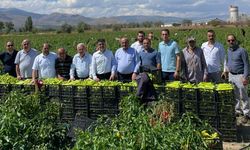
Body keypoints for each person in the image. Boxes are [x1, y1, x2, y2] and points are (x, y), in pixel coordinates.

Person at [222, 34, 250, 124]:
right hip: (231, 75)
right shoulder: (229, 50)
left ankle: (247, 114)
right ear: (227, 42)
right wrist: (226, 71)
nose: (231, 42)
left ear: (235, 40)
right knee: (235, 95)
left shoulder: (242, 51)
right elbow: (228, 61)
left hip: (240, 75)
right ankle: (238, 111)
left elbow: (246, 64)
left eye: (232, 40)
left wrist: (245, 77)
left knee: (244, 96)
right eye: (229, 40)